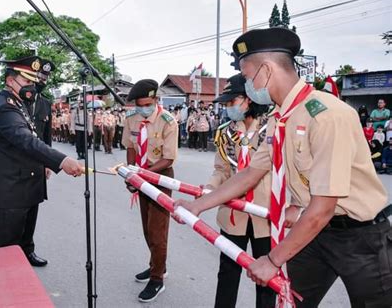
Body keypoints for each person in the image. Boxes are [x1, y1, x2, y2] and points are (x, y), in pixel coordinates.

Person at [175, 27, 391, 307]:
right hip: (315, 233)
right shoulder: (280, 118)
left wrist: (272, 259)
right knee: (287, 301)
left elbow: (323, 206)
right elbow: (251, 173)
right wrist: (199, 205)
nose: (247, 82)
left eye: (247, 74)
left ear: (265, 70)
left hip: (361, 238)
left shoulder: (327, 115)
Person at [0, 56, 84, 267]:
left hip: (23, 185)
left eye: (33, 82)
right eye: (27, 82)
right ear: (10, 80)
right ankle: (6, 291)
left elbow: (37, 137)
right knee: (6, 252)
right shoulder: (6, 108)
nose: (31, 87)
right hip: (9, 191)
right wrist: (61, 161)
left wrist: (45, 164)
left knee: (23, 235)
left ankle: (23, 263)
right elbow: (26, 141)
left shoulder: (18, 103)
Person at [209, 74, 274, 308]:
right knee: (227, 271)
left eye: (231, 102)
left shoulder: (273, 128)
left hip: (265, 215)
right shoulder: (225, 132)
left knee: (266, 278)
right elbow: (221, 170)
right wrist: (209, 189)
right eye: (226, 104)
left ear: (249, 99)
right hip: (232, 213)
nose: (228, 108)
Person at [122, 79, 178, 302]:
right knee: (147, 228)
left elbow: (168, 158)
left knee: (157, 230)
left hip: (161, 177)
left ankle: (157, 279)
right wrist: (130, 173)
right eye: (139, 104)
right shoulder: (131, 119)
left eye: (147, 104)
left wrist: (142, 175)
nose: (142, 108)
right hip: (141, 176)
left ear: (156, 100)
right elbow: (130, 147)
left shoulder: (168, 121)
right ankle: (157, 265)